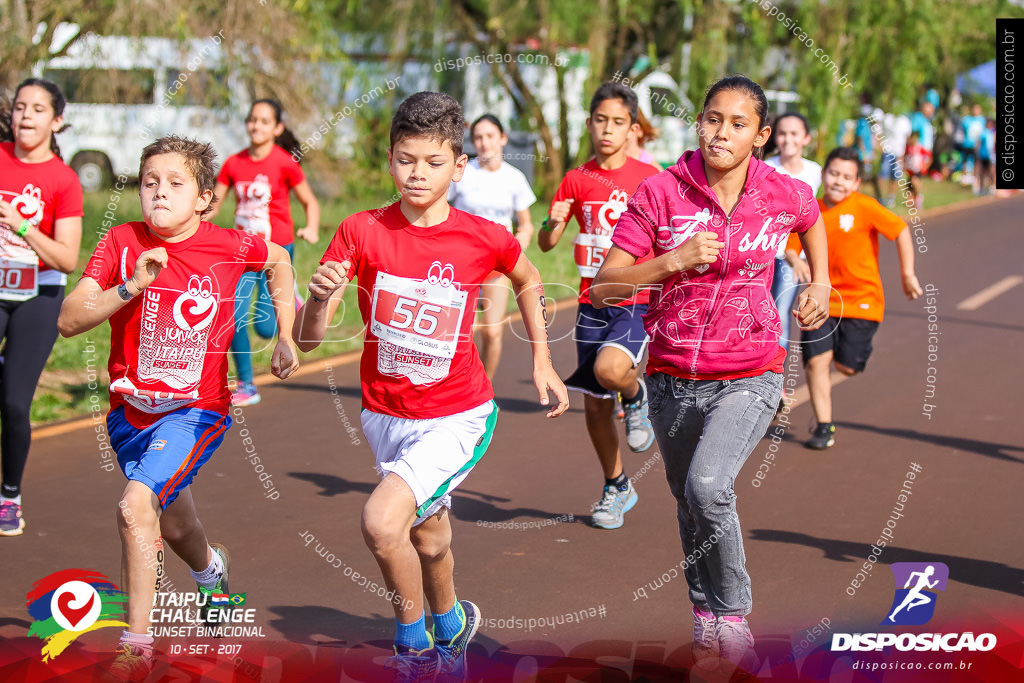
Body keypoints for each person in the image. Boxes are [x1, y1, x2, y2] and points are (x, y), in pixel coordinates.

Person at [293, 91, 568, 683]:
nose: (418, 174)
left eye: (433, 162)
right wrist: (317, 298)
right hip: (384, 414)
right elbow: (310, 339)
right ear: (389, 159)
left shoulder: (481, 236)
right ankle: (451, 627)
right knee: (430, 537)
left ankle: (413, 649)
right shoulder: (360, 231)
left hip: (458, 414)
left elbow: (529, 277)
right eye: (406, 159)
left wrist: (541, 359)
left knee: (380, 522)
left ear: (459, 165)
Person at [591, 75, 830, 671]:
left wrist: (820, 280)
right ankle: (705, 615)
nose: (722, 132)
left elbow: (811, 217)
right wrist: (670, 261)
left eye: (738, 123)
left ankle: (734, 614)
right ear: (699, 122)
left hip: (751, 371)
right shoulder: (660, 193)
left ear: (763, 135)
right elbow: (604, 285)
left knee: (708, 486)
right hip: (672, 376)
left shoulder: (782, 191)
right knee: (686, 498)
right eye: (713, 119)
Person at [57, 135, 299, 679]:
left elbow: (279, 259)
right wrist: (132, 285)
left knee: (133, 507)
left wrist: (283, 333)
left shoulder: (230, 244)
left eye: (174, 184)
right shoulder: (122, 241)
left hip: (196, 409)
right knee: (173, 524)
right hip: (130, 415)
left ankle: (135, 650)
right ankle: (213, 573)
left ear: (205, 200)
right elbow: (70, 318)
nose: (159, 193)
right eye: (149, 183)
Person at [539, 81, 660, 530]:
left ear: (633, 128)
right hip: (592, 301)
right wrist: (551, 224)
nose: (608, 130)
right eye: (600, 121)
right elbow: (547, 243)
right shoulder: (575, 179)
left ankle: (636, 391)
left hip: (635, 298)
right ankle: (617, 485)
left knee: (612, 372)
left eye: (618, 122)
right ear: (590, 124)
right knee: (593, 406)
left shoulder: (651, 178)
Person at [787, 146, 923, 450]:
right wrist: (796, 261)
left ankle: (849, 355)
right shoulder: (812, 210)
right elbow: (791, 244)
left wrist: (907, 274)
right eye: (834, 173)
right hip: (822, 300)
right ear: (823, 175)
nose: (838, 181)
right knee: (816, 362)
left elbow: (900, 230)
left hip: (863, 301)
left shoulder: (866, 206)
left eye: (847, 177)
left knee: (847, 367)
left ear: (857, 183)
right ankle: (824, 425)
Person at [0, 78, 83, 536]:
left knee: (14, 404)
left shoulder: (63, 180)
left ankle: (9, 496)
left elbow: (68, 258)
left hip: (38, 293)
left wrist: (22, 224)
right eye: (19, 107)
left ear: (56, 121)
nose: (25, 116)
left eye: (36, 109)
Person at [210, 99, 319, 406]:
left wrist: (311, 228)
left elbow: (310, 201)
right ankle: (246, 384)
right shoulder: (234, 163)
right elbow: (215, 203)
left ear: (277, 128)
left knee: (267, 326)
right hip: (243, 252)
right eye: (252, 120)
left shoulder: (284, 162)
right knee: (232, 317)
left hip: (277, 251)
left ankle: (293, 301)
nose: (256, 126)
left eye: (263, 121)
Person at [448, 113, 537, 378]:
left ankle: (484, 389)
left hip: (497, 265)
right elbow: (442, 210)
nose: (484, 143)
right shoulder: (462, 173)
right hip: (462, 263)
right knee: (461, 333)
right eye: (478, 137)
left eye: (489, 136)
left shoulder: (514, 178)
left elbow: (526, 224)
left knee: (492, 330)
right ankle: (454, 387)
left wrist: (516, 247)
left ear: (503, 139)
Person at [764, 112, 821, 358]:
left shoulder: (815, 172)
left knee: (779, 311)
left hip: (792, 259)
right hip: (764, 253)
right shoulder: (766, 168)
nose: (787, 139)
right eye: (782, 133)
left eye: (794, 134)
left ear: (806, 139)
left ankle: (776, 373)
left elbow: (816, 220)